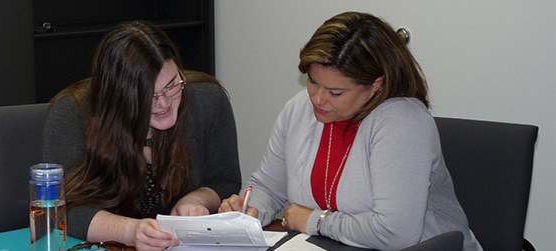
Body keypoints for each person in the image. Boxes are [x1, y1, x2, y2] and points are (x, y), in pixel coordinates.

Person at [219, 12, 482, 250]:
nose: (318, 99)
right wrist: (250, 209)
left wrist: (315, 221)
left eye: (335, 92)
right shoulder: (299, 110)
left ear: (376, 85)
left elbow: (395, 233)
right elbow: (269, 186)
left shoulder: (402, 122)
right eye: (312, 81)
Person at [42, 21, 241, 251]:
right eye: (148, 96)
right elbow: (58, 209)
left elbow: (224, 181)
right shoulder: (73, 113)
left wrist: (196, 199)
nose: (164, 103)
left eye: (171, 85)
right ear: (118, 97)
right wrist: (129, 231)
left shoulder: (208, 101)